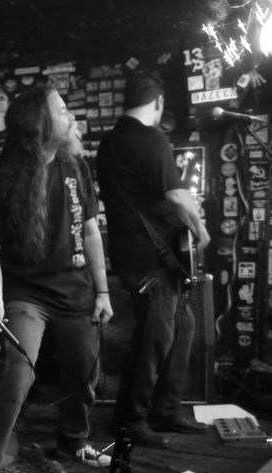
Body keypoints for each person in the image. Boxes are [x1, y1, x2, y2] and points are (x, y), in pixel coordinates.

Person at [0, 85, 114, 473]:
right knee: (16, 374)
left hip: (76, 290)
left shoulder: (75, 166)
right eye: (62, 111)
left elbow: (91, 231)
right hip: (25, 293)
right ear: (38, 123)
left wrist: (103, 291)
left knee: (84, 369)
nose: (71, 117)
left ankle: (73, 441)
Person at [96, 72, 211, 448]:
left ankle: (165, 410)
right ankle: (131, 420)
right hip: (151, 259)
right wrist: (201, 231)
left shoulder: (110, 143)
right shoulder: (152, 139)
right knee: (154, 339)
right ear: (159, 102)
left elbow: (147, 196)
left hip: (132, 256)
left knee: (183, 326)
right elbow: (177, 197)